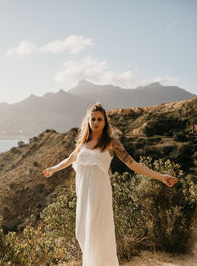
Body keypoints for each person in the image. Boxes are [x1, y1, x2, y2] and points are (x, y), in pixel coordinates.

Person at [42, 102, 178, 266]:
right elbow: (70, 159)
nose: (96, 122)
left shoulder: (112, 143)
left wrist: (161, 176)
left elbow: (133, 164)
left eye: (99, 119)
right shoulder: (83, 142)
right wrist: (53, 169)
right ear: (88, 121)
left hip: (100, 194)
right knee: (82, 233)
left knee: (97, 233)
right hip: (84, 195)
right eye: (93, 119)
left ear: (105, 122)